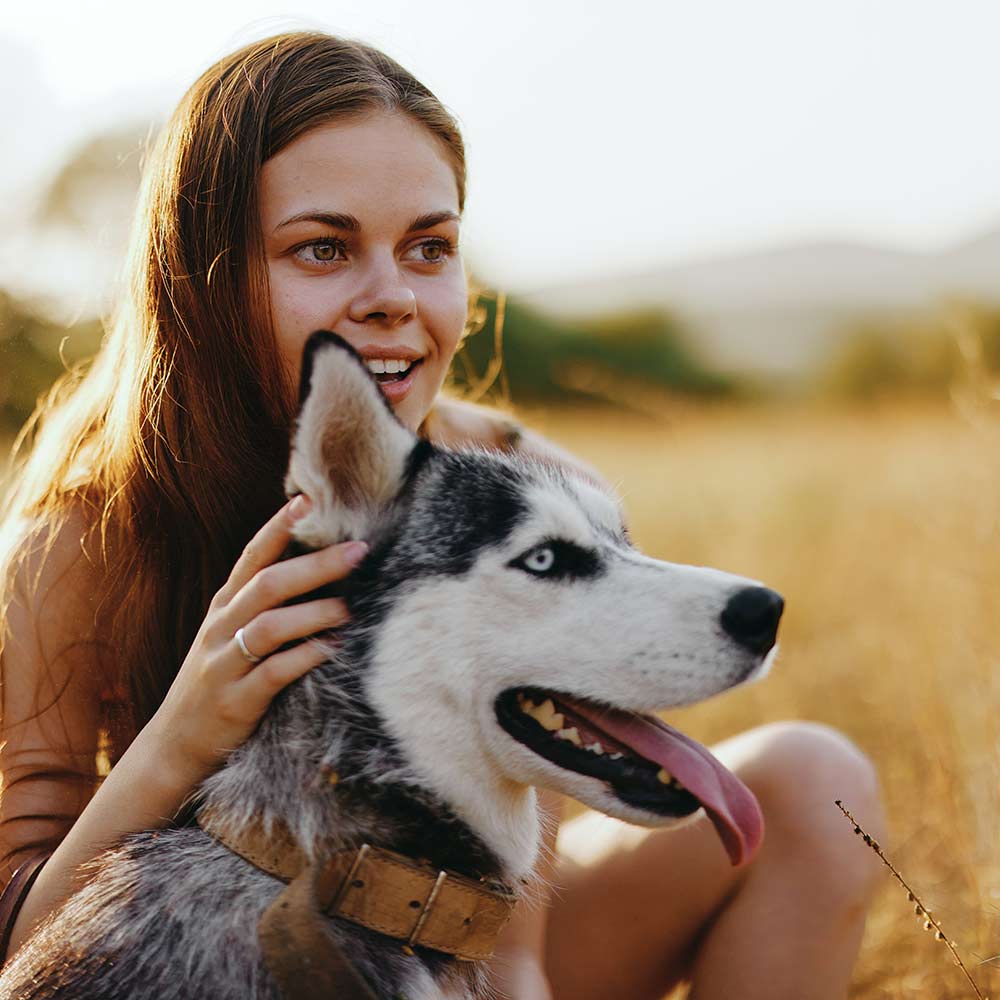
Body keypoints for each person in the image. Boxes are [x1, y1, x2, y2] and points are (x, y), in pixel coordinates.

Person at [0, 30, 885, 999]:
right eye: (323, 248)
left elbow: (513, 934)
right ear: (204, 278)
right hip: (208, 947)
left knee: (811, 779)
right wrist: (180, 737)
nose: (391, 298)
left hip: (473, 941)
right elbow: (23, 957)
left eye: (429, 246)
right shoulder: (86, 535)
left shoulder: (529, 484)